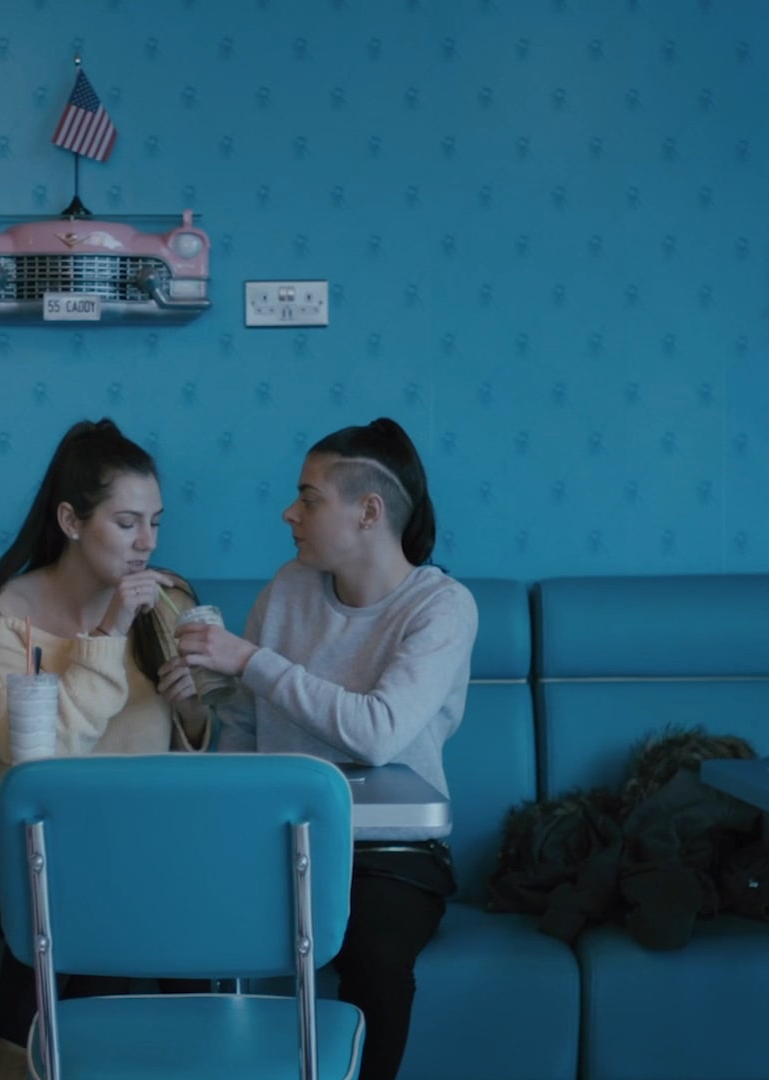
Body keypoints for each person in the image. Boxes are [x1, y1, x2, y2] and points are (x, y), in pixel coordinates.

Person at [169, 417, 478, 1080]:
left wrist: (251, 661)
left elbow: (378, 732)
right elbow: (248, 731)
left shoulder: (441, 608)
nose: (290, 513)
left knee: (375, 955)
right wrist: (202, 701)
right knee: (177, 934)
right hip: (276, 843)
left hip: (392, 855)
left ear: (369, 512)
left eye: (308, 499)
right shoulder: (288, 589)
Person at [0, 418, 210, 1080]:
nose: (146, 543)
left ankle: (10, 1057)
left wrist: (192, 706)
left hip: (146, 848)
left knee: (118, 907)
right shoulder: (5, 614)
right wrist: (110, 630)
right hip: (23, 855)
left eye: (155, 522)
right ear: (71, 519)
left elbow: (198, 753)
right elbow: (40, 753)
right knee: (108, 904)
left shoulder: (170, 600)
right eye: (127, 523)